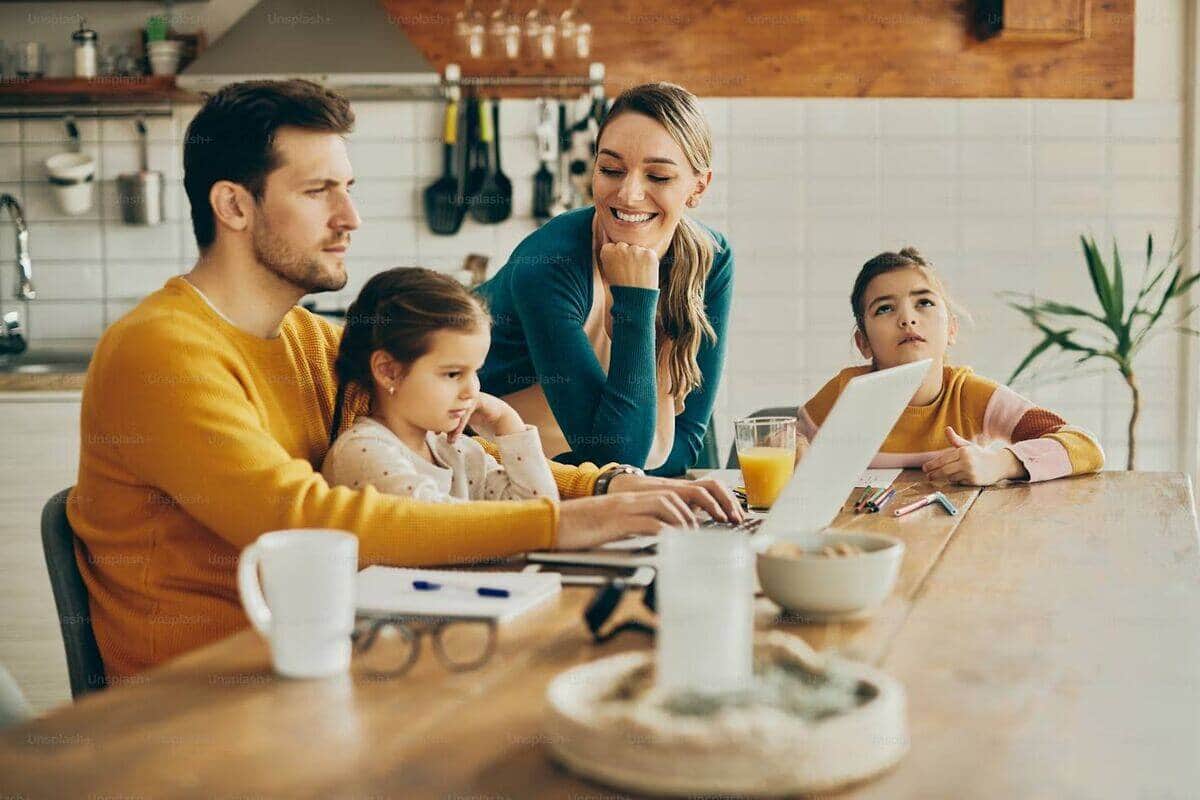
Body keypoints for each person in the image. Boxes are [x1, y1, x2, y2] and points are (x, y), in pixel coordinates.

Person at [69, 79, 741, 679]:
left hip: (332, 660)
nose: (350, 218)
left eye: (348, 189)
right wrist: (562, 522)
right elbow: (312, 521)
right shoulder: (162, 351)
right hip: (204, 703)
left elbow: (458, 451)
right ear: (234, 206)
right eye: (318, 192)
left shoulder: (310, 341)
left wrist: (606, 487)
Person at [477, 82, 732, 476]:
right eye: (611, 170)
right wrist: (635, 299)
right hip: (484, 466)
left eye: (659, 176)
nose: (628, 194)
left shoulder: (710, 259)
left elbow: (683, 446)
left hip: (572, 479)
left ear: (698, 187)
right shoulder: (550, 266)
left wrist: (618, 474)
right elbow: (615, 459)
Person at [799, 247, 1104, 485]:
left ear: (951, 330)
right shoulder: (843, 393)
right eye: (885, 308)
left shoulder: (974, 396)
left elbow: (1085, 446)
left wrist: (1000, 464)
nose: (907, 319)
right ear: (863, 342)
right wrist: (792, 448)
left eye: (924, 303)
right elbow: (784, 440)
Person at [323, 267, 558, 503]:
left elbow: (541, 511)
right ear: (388, 372)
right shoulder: (364, 453)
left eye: (475, 372)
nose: (471, 392)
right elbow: (449, 523)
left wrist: (505, 419)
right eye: (453, 374)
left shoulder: (456, 449)